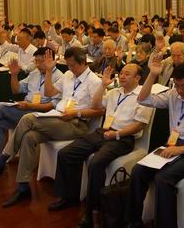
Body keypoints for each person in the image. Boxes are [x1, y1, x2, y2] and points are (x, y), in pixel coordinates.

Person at [0, 47, 103, 207]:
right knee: (29, 137)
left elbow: (99, 110)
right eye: (67, 65)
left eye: (72, 65)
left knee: (28, 119)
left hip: (76, 123)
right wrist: (48, 71)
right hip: (58, 118)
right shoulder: (68, 75)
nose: (70, 68)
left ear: (83, 63)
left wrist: (76, 113)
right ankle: (23, 187)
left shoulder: (94, 81)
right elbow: (49, 92)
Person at [48, 64, 153, 228]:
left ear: (137, 78)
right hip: (103, 132)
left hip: (122, 138)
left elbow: (140, 125)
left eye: (127, 74)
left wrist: (117, 134)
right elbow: (96, 105)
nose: (122, 76)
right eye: (121, 73)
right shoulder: (114, 92)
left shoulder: (144, 96)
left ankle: (92, 211)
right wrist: (103, 85)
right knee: (66, 153)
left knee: (96, 163)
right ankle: (69, 197)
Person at [125, 60, 184, 228]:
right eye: (176, 85)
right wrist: (153, 75)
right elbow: (143, 99)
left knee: (163, 178)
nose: (180, 91)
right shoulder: (173, 94)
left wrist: (180, 150)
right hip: (172, 146)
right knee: (138, 171)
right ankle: (133, 221)